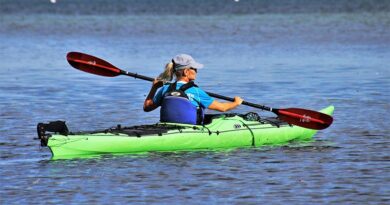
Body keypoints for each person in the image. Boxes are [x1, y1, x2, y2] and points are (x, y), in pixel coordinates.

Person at [144, 54, 243, 125]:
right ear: (186, 72)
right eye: (194, 69)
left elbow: (147, 107)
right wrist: (236, 103)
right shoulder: (196, 91)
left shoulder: (165, 89)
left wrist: (154, 88)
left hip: (167, 127)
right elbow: (222, 108)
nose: (196, 72)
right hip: (190, 130)